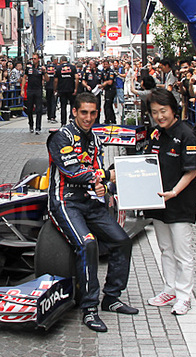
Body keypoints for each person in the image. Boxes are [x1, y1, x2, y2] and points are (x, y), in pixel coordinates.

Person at [46, 92, 136, 332]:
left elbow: (96, 172)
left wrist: (103, 184)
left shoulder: (95, 139)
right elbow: (73, 171)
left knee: (122, 241)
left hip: (90, 201)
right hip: (64, 201)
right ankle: (89, 308)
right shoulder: (61, 136)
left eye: (92, 113)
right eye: (83, 112)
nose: (88, 117)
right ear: (74, 112)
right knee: (87, 245)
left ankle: (111, 298)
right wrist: (104, 176)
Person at [144, 88, 196, 315]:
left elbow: (192, 171)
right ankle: (170, 289)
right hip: (159, 203)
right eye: (155, 112)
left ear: (173, 109)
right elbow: (145, 163)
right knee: (165, 249)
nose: (159, 116)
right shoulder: (156, 134)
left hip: (179, 203)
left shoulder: (187, 134)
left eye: (163, 111)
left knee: (182, 253)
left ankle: (184, 296)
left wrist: (174, 192)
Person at [21, 53, 45, 134]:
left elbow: (47, 79)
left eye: (35, 58)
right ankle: (31, 125)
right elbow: (24, 78)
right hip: (30, 90)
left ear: (38, 59)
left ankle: (38, 127)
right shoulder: (28, 68)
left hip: (38, 90)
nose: (34, 60)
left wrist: (45, 72)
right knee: (29, 109)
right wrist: (22, 90)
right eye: (33, 58)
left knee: (39, 110)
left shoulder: (41, 68)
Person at [55, 56, 77, 125]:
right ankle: (72, 118)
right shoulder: (73, 67)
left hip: (62, 89)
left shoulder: (58, 68)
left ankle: (63, 122)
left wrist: (55, 89)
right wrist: (76, 88)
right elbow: (77, 78)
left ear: (61, 60)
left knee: (63, 106)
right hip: (71, 89)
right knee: (72, 104)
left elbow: (56, 80)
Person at [100, 59, 117, 124]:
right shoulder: (103, 71)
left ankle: (107, 120)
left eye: (106, 64)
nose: (105, 65)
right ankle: (113, 120)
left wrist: (105, 83)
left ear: (109, 64)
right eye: (103, 64)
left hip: (111, 90)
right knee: (109, 105)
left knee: (107, 106)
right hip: (106, 90)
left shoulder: (111, 71)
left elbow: (110, 82)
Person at [44, 57, 57, 123]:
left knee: (48, 102)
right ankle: (52, 116)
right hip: (54, 87)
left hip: (47, 86)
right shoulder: (56, 67)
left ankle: (49, 116)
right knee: (53, 102)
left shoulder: (46, 67)